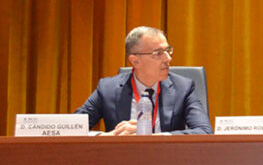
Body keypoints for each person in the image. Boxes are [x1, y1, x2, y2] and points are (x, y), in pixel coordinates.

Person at [75, 26, 212, 135]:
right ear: (135, 61)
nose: (168, 59)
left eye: (167, 50)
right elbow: (71, 129)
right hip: (121, 164)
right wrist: (109, 137)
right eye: (158, 53)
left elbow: (204, 131)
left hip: (167, 163)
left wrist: (154, 137)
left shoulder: (183, 88)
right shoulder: (107, 88)